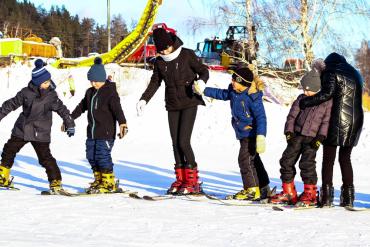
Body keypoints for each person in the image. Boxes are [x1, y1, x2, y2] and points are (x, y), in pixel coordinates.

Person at [136, 28, 209, 195]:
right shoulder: (160, 61)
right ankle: (182, 179)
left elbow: (203, 70)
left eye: (165, 49)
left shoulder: (187, 55)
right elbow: (155, 82)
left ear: (171, 44)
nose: (163, 52)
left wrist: (202, 82)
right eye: (160, 50)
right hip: (172, 104)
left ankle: (193, 181)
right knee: (175, 143)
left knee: (184, 141)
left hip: (190, 101)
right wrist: (143, 99)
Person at [193, 67, 270, 201]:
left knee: (245, 160)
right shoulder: (233, 92)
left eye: (235, 80)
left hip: (252, 134)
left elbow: (261, 117)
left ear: (243, 83)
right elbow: (220, 94)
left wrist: (261, 136)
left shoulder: (253, 97)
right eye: (232, 79)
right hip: (242, 133)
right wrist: (204, 90)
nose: (232, 82)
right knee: (254, 160)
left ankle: (251, 190)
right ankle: (263, 187)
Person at [0, 59, 75, 194]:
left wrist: (69, 122)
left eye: (48, 81)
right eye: (45, 82)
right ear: (37, 82)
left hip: (41, 132)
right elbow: (10, 104)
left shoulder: (51, 96)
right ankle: (3, 176)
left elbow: (62, 109)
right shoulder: (25, 93)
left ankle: (55, 181)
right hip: (22, 129)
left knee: (45, 158)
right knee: (9, 150)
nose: (48, 84)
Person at [299, 53, 364, 207]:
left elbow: (327, 94)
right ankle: (348, 197)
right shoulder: (354, 72)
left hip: (337, 120)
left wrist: (306, 102)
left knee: (328, 159)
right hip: (356, 120)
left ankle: (326, 197)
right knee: (345, 158)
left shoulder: (330, 72)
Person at [270, 69, 332, 206]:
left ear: (315, 88)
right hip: (297, 136)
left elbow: (326, 122)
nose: (305, 92)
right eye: (303, 89)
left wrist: (320, 137)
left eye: (307, 90)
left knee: (307, 164)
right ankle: (288, 192)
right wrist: (289, 132)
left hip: (312, 139)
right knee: (286, 161)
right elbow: (291, 116)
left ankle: (310, 194)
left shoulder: (326, 103)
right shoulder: (301, 99)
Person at [70, 57, 128, 194]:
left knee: (102, 156)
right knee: (91, 156)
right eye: (91, 81)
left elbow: (117, 109)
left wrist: (123, 123)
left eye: (96, 80)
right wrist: (70, 118)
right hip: (92, 132)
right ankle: (99, 179)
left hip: (106, 133)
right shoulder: (89, 92)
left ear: (102, 78)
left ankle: (109, 182)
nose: (93, 83)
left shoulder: (110, 93)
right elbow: (81, 107)